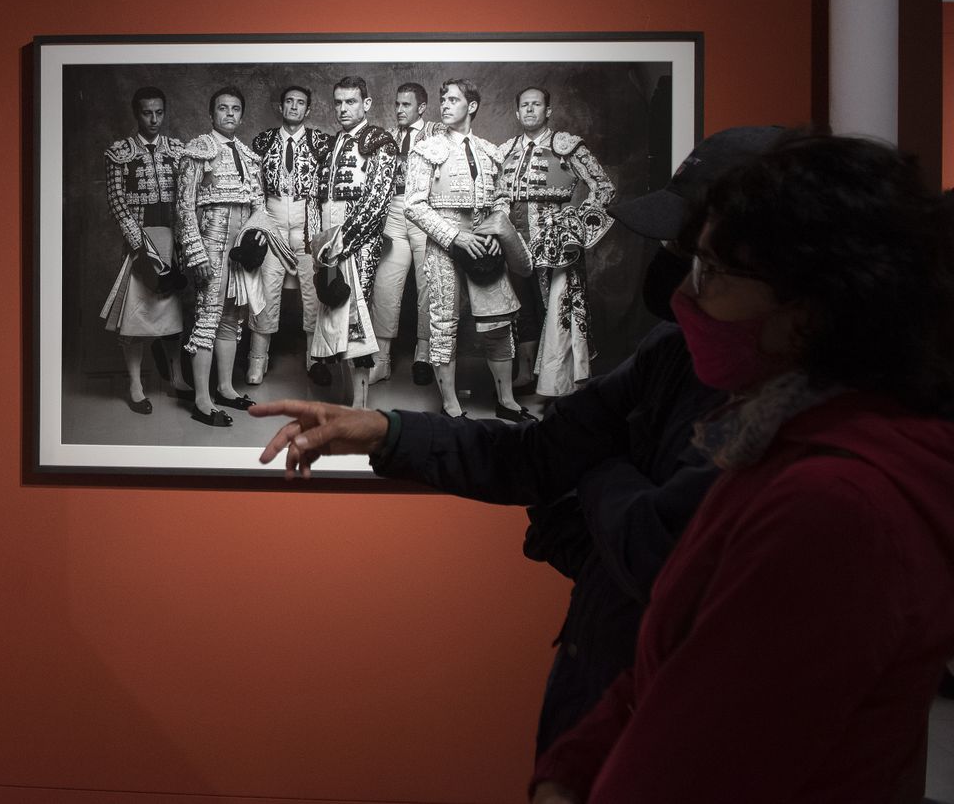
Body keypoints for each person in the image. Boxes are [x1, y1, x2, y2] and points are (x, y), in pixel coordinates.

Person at [248, 126, 785, 759]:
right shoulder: (672, 354)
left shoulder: (830, 448)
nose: (686, 287)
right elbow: (536, 456)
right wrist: (383, 431)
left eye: (710, 265)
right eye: (682, 256)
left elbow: (657, 550)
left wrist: (596, 475)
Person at [527, 133, 954, 803]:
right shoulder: (778, 445)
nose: (688, 298)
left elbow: (700, 760)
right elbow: (662, 674)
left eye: (715, 273)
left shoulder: (834, 506)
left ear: (805, 314)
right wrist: (568, 769)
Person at [406, 79, 529, 419]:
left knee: (498, 323)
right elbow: (414, 206)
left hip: (485, 245)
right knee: (443, 322)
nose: (444, 105)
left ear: (471, 106)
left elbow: (502, 198)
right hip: (446, 244)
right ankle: (451, 405)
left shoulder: (490, 151)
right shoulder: (426, 148)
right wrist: (455, 237)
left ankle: (506, 401)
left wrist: (496, 230)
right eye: (443, 99)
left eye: (453, 99)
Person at [494, 87, 616, 398]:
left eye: (536, 105)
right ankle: (525, 373)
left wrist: (576, 226)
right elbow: (494, 193)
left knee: (556, 304)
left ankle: (560, 377)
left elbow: (603, 187)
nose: (530, 110)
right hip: (513, 235)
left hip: (555, 238)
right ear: (517, 113)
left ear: (548, 110)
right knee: (520, 307)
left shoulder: (567, 146)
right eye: (525, 106)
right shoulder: (506, 150)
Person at [308, 75, 400, 408]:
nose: (343, 108)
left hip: (358, 245)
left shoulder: (380, 142)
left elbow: (377, 201)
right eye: (338, 102)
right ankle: (349, 399)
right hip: (329, 245)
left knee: (355, 318)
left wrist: (342, 241)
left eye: (350, 102)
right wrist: (318, 242)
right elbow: (316, 197)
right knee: (334, 312)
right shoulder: (331, 144)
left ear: (367, 104)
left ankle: (360, 405)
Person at [175, 86, 264, 426]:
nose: (230, 114)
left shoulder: (247, 154)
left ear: (242, 115)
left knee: (232, 318)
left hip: (240, 248)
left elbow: (257, 204)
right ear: (211, 114)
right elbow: (184, 205)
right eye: (223, 108)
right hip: (211, 242)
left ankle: (225, 387)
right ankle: (201, 399)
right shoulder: (198, 149)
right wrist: (195, 251)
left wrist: (256, 243)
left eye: (236, 109)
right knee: (208, 318)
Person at [99, 86, 189, 413]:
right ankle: (135, 384)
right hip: (140, 241)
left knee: (172, 315)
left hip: (170, 240)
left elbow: (185, 198)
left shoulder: (178, 151)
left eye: (159, 112)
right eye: (147, 113)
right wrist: (138, 244)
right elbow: (117, 201)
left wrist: (181, 240)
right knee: (136, 318)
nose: (154, 119)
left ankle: (177, 377)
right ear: (136, 114)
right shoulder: (120, 152)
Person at [242, 85, 333, 385]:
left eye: (301, 103)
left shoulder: (322, 142)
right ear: (281, 108)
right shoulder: (263, 141)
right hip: (274, 218)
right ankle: (258, 360)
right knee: (266, 290)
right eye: (289, 102)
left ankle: (315, 359)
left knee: (313, 292)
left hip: (309, 222)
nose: (294, 107)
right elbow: (253, 186)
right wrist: (259, 223)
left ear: (308, 110)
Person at [371, 81, 444, 386]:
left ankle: (423, 355)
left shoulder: (437, 134)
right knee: (385, 286)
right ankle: (382, 360)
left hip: (424, 211)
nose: (399, 110)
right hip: (393, 211)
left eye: (406, 105)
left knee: (427, 286)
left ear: (422, 108)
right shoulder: (387, 136)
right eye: (398, 104)